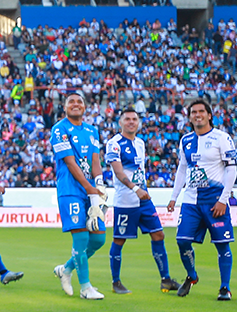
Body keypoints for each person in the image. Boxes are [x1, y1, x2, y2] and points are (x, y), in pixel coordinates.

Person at [166, 100, 235, 301]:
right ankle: (192, 275)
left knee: (222, 244)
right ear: (189, 117)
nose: (197, 115)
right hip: (191, 202)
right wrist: (173, 197)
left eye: (201, 111)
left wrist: (224, 199)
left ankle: (224, 288)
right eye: (193, 112)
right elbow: (182, 169)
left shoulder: (222, 138)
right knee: (182, 241)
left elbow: (231, 168)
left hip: (215, 201)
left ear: (209, 115)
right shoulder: (186, 140)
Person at [106, 109, 179, 294]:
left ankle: (165, 280)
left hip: (144, 199)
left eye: (134, 119)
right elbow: (118, 171)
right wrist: (134, 188)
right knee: (119, 240)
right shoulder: (114, 143)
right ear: (120, 122)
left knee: (159, 235)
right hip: (126, 201)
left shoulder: (140, 143)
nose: (131, 122)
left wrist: (141, 189)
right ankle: (116, 282)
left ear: (138, 123)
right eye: (127, 119)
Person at [50, 92, 107, 300]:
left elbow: (95, 161)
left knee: (99, 239)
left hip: (90, 190)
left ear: (85, 107)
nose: (75, 104)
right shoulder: (59, 129)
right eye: (71, 102)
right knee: (81, 237)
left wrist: (98, 184)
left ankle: (65, 269)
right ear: (65, 107)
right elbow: (69, 161)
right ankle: (85, 288)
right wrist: (88, 187)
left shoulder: (92, 131)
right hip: (70, 190)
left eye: (79, 102)